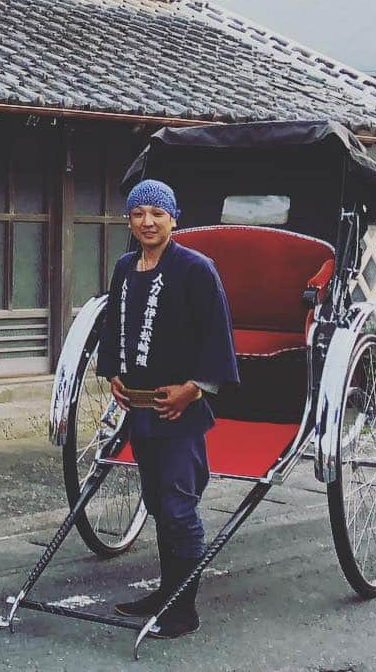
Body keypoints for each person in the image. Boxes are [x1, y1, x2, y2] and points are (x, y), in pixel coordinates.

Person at [96, 178, 238, 640]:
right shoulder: (124, 267)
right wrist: (114, 372)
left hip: (179, 410)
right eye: (138, 214)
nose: (148, 222)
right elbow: (114, 323)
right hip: (141, 409)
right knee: (157, 502)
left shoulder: (196, 268)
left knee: (179, 506)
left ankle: (183, 609)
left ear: (174, 218)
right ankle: (167, 592)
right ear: (129, 220)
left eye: (157, 213)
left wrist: (194, 387)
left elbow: (216, 332)